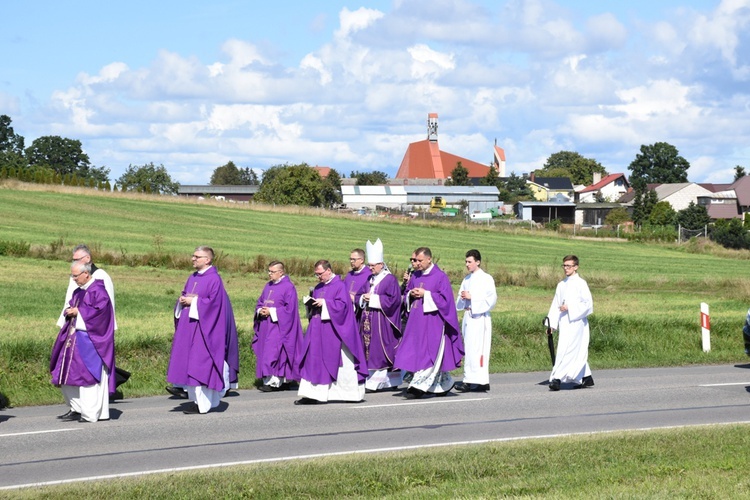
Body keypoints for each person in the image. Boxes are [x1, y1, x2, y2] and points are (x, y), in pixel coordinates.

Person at [166, 246, 240, 414]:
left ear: (207, 259)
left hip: (204, 330)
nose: (193, 259)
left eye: (197, 256)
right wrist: (182, 300)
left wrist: (194, 301)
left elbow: (214, 305)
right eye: (193, 256)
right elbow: (188, 296)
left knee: (200, 364)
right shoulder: (192, 277)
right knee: (189, 362)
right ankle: (196, 401)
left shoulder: (214, 279)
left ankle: (203, 404)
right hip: (189, 327)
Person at [295, 260, 368, 405]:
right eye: (316, 274)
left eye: (320, 274)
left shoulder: (340, 286)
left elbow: (343, 307)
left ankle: (348, 394)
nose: (318, 277)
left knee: (333, 361)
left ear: (329, 270)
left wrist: (325, 303)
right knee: (312, 360)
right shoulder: (318, 287)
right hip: (316, 329)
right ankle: (311, 393)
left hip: (333, 331)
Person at [50, 261, 116, 422]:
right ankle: (76, 408)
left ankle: (91, 413)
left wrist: (79, 312)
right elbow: (72, 308)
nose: (73, 279)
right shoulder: (79, 292)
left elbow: (101, 316)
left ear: (86, 273)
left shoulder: (99, 291)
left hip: (91, 342)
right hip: (73, 340)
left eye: (75, 276)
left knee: (88, 376)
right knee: (67, 375)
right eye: (71, 275)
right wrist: (69, 311)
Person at [394, 247, 463, 399]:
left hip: (433, 323)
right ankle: (445, 383)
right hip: (416, 322)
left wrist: (426, 294)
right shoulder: (416, 276)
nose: (416, 264)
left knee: (429, 353)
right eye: (415, 261)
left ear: (429, 259)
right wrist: (410, 295)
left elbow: (446, 301)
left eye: (419, 261)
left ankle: (418, 385)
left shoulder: (440, 277)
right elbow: (405, 295)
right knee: (417, 351)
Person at [358, 239, 403, 392]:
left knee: (379, 351)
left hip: (382, 321)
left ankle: (375, 382)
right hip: (367, 320)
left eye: (372, 266)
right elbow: (360, 294)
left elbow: (394, 300)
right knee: (367, 350)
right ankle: (387, 381)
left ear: (381, 265)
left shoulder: (389, 279)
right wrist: (362, 298)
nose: (370, 268)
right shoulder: (369, 279)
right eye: (369, 265)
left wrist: (374, 299)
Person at [252, 261, 303, 392]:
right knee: (266, 351)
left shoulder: (288, 287)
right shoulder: (268, 286)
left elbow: (290, 310)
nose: (269, 274)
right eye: (268, 271)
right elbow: (260, 302)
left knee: (274, 353)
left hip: (279, 326)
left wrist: (272, 312)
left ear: (281, 272)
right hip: (266, 325)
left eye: (272, 272)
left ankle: (274, 382)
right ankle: (279, 380)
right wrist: (261, 310)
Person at [547, 255, 594, 391]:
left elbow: (588, 304)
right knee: (574, 350)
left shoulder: (581, 283)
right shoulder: (561, 284)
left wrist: (570, 307)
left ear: (576, 267)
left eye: (568, 266)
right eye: (564, 265)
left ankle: (557, 379)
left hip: (577, 322)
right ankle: (586, 377)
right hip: (564, 323)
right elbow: (555, 304)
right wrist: (552, 324)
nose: (566, 268)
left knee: (568, 350)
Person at [455, 249, 497, 392]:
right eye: (466, 262)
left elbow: (491, 300)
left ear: (478, 262)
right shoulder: (466, 279)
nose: (467, 264)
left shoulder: (486, 278)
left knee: (479, 350)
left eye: (470, 262)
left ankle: (476, 381)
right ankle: (473, 379)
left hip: (480, 317)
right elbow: (460, 300)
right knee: (469, 348)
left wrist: (472, 298)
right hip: (469, 317)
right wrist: (462, 298)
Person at [343, 248, 372, 317]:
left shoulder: (369, 275)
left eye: (354, 259)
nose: (351, 261)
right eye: (350, 259)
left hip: (360, 313)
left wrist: (354, 298)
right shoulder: (349, 274)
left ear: (361, 260)